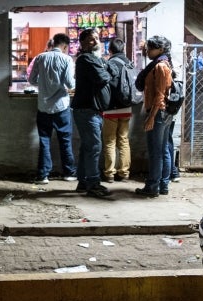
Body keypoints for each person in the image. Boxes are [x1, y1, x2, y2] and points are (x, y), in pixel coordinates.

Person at [27, 33, 77, 185]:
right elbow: (70, 83)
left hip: (43, 106)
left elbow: (31, 79)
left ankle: (43, 175)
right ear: (65, 46)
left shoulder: (40, 57)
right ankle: (68, 173)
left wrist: (42, 86)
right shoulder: (67, 59)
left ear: (53, 43)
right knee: (65, 141)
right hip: (61, 106)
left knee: (44, 141)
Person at [71, 28, 111, 198]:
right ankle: (93, 183)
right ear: (82, 42)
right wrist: (107, 71)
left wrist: (105, 68)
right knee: (94, 147)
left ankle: (83, 181)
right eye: (91, 39)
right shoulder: (86, 59)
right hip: (87, 110)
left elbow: (107, 72)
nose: (95, 42)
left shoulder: (93, 59)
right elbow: (104, 77)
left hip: (91, 110)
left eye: (97, 38)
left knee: (88, 147)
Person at [134, 36, 175, 197]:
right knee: (163, 149)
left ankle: (152, 186)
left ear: (160, 49)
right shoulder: (163, 64)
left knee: (156, 151)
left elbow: (159, 96)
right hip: (162, 112)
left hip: (158, 112)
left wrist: (151, 117)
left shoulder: (160, 67)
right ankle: (163, 185)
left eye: (150, 48)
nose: (147, 51)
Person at [101, 38, 134, 183]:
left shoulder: (108, 64)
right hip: (126, 107)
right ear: (123, 49)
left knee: (110, 141)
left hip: (110, 109)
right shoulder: (130, 63)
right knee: (124, 140)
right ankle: (124, 173)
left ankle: (109, 174)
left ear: (110, 50)